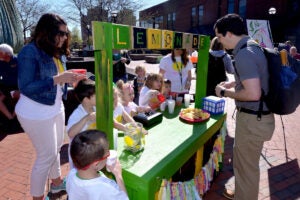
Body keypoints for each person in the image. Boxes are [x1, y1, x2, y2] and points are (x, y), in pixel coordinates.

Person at [15, 13, 86, 200]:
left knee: (54, 150)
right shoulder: (30, 52)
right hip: (35, 111)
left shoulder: (57, 52)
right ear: (47, 32)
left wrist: (71, 80)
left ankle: (55, 185)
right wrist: (58, 79)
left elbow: (59, 84)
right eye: (60, 33)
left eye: (66, 34)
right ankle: (37, 197)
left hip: (55, 108)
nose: (64, 38)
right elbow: (26, 87)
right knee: (45, 156)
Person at [214, 14, 275, 200]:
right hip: (259, 117)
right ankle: (243, 193)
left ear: (229, 34)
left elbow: (253, 94)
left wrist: (225, 93)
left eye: (220, 37)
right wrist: (235, 84)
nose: (220, 42)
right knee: (246, 165)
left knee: (246, 167)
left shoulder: (243, 54)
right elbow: (257, 80)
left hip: (252, 120)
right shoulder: (253, 46)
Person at [66, 129, 129, 200]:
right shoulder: (107, 187)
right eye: (107, 153)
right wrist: (118, 176)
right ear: (96, 164)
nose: (109, 153)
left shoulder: (71, 175)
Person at [67, 79, 96, 169]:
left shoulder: (96, 108)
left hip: (91, 151)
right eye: (96, 95)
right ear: (86, 99)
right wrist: (86, 118)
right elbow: (70, 133)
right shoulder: (78, 114)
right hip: (79, 154)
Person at [0, 43, 19, 120]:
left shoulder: (18, 60)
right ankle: (10, 118)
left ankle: (14, 117)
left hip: (17, 86)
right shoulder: (0, 63)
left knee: (22, 97)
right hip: (5, 86)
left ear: (6, 54)